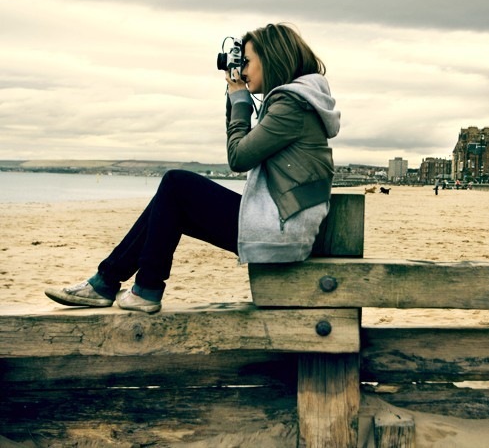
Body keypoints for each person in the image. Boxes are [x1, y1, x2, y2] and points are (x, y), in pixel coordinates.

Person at [44, 23, 340, 314]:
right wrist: (235, 101)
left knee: (177, 184)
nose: (242, 70)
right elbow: (243, 149)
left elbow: (238, 158)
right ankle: (112, 284)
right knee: (173, 201)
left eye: (247, 62)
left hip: (280, 230)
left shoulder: (291, 105)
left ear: (272, 58)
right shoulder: (297, 102)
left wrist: (239, 101)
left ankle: (135, 287)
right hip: (282, 223)